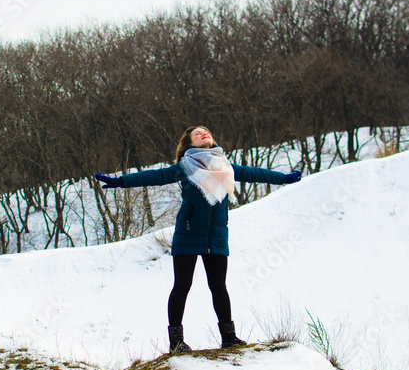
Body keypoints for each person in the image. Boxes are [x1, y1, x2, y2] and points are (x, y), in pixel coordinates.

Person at [94, 126, 301, 353]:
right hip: (188, 234)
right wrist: (120, 181)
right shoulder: (186, 167)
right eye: (197, 133)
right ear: (190, 143)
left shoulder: (226, 167)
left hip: (217, 236)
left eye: (206, 131)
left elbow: (255, 174)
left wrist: (284, 179)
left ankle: (229, 338)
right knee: (182, 286)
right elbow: (156, 176)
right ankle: (176, 342)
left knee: (219, 287)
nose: (204, 133)